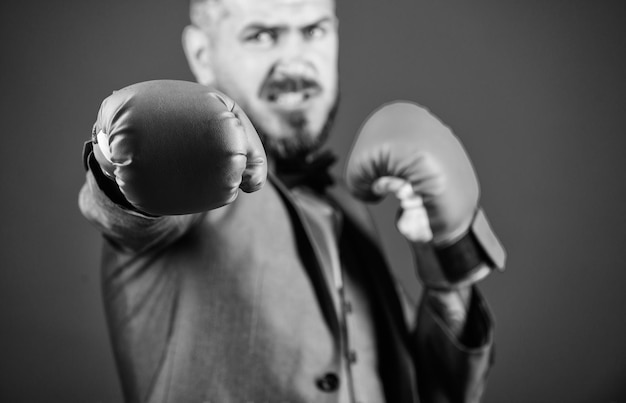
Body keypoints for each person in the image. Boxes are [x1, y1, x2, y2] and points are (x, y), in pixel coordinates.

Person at [78, 0, 506, 402]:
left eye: (314, 30)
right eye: (262, 35)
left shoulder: (346, 207)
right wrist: (116, 157)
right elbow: (123, 210)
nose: (296, 61)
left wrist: (447, 270)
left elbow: (438, 394)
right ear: (202, 54)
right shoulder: (183, 189)